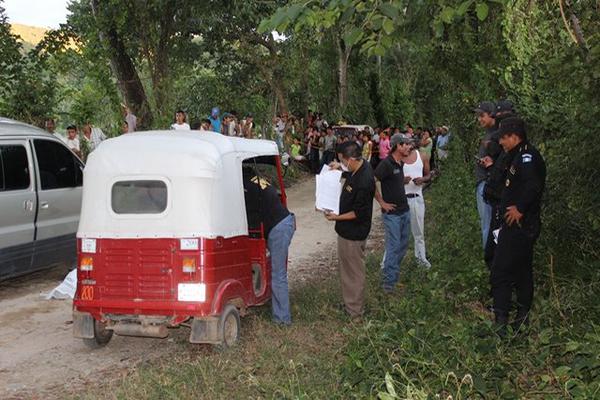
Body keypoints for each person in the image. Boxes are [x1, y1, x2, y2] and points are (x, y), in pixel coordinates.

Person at [490, 117, 546, 336]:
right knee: (522, 270)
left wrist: (520, 208)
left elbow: (534, 186)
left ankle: (502, 322)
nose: (501, 143)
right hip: (517, 224)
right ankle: (521, 319)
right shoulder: (515, 156)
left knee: (501, 270)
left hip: (520, 225)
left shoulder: (527, 157)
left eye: (503, 139)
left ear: (513, 136)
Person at [324, 141, 375, 319]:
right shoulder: (358, 168)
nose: (342, 163)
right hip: (346, 231)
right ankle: (350, 303)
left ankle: (355, 312)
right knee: (347, 271)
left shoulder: (365, 180)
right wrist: (340, 168)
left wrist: (335, 217)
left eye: (343, 161)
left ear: (352, 159)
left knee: (354, 272)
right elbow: (348, 170)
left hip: (354, 233)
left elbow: (358, 213)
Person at [242, 167, 295, 325]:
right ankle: (274, 304)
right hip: (283, 222)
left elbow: (249, 215)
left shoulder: (245, 187)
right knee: (274, 269)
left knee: (278, 274)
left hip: (278, 228)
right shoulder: (256, 180)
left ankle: (282, 320)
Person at [374, 134, 413, 293]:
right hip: (392, 215)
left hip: (405, 210)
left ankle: (393, 274)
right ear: (397, 146)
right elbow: (372, 181)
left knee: (403, 245)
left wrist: (401, 181)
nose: (408, 147)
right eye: (405, 144)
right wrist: (382, 202)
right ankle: (388, 284)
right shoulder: (387, 164)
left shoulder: (399, 163)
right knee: (394, 246)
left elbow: (393, 180)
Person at [474, 101, 500, 248]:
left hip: (488, 184)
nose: (479, 119)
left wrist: (491, 164)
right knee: (486, 223)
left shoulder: (497, 135)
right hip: (483, 182)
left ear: (492, 115)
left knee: (488, 225)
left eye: (482, 115)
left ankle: (491, 260)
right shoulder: (488, 134)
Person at [403, 140, 432, 268]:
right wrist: (401, 180)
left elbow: (428, 175)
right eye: (404, 144)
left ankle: (421, 259)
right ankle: (389, 262)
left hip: (416, 197)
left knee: (419, 232)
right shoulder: (397, 158)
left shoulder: (422, 156)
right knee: (396, 233)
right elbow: (390, 178)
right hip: (400, 199)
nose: (407, 147)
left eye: (409, 144)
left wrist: (422, 179)